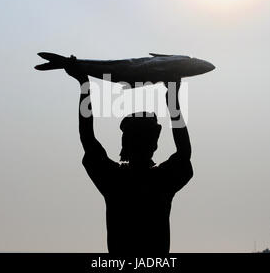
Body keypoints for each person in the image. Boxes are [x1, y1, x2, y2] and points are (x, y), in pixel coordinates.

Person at [65, 60, 193, 253]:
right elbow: (184, 153)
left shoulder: (115, 180)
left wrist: (84, 85)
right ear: (154, 143)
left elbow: (88, 139)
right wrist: (172, 101)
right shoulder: (160, 181)